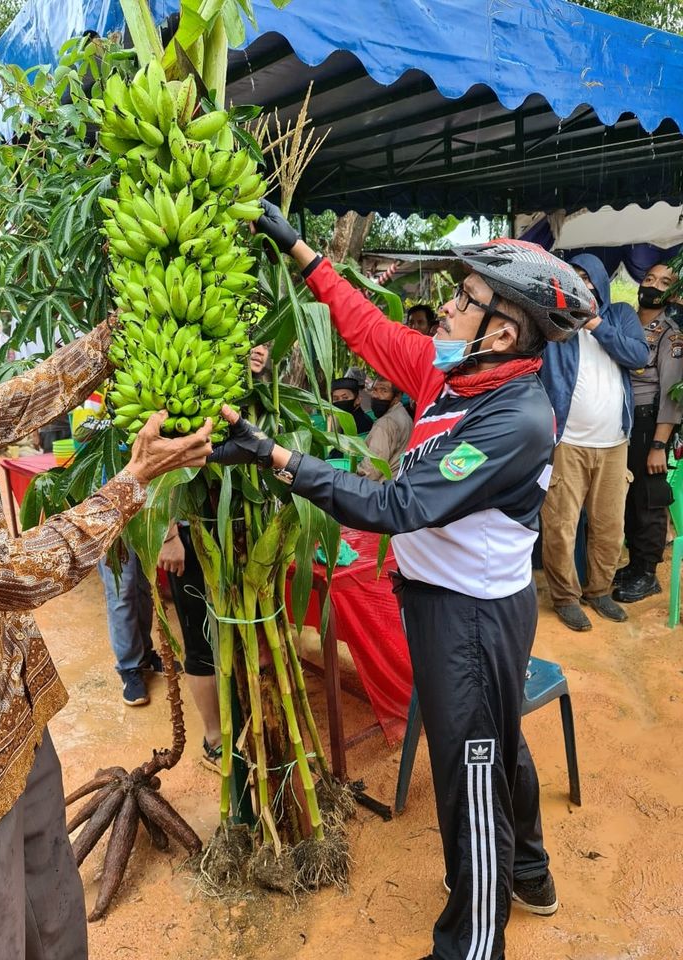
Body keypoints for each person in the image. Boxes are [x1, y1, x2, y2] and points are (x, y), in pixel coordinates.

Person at [212, 200, 598, 960]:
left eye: (463, 298)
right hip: (443, 603)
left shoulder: (514, 420)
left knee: (470, 772)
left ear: (503, 333)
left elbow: (398, 505)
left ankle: (472, 946)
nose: (446, 307)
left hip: (473, 617)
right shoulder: (455, 370)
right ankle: (529, 871)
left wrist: (275, 458)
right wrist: (298, 250)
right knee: (495, 741)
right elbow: (369, 329)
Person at [0, 320, 212, 960]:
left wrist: (113, 336)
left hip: (17, 710)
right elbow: (17, 572)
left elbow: (24, 396)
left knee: (53, 890)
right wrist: (132, 482)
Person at [539, 254, 649, 632]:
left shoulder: (620, 315)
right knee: (560, 526)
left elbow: (638, 355)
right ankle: (566, 598)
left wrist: (596, 324)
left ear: (600, 280)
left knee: (610, 527)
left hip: (614, 443)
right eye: (574, 277)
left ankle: (599, 591)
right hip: (566, 443)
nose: (582, 284)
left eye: (587, 277)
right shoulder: (555, 322)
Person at [614, 263, 683, 602]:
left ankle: (647, 573)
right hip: (621, 423)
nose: (653, 285)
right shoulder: (623, 323)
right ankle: (634, 564)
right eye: (649, 278)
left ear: (672, 293)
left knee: (648, 499)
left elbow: (673, 395)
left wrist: (659, 444)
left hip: (648, 424)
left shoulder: (671, 335)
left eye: (664, 282)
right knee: (628, 498)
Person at [158, 521, 222, 760]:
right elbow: (146, 495)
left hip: (233, 527)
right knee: (201, 643)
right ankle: (214, 739)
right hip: (189, 533)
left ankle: (239, 726)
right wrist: (168, 535)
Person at [97, 546, 158, 706]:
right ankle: (129, 666)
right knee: (121, 592)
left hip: (138, 529)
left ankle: (144, 655)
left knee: (143, 585)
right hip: (114, 533)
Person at [357, 376, 412, 481]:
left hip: (384, 484)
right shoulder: (403, 414)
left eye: (384, 391)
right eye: (374, 390)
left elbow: (372, 468)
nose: (376, 395)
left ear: (397, 397)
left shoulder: (384, 424)